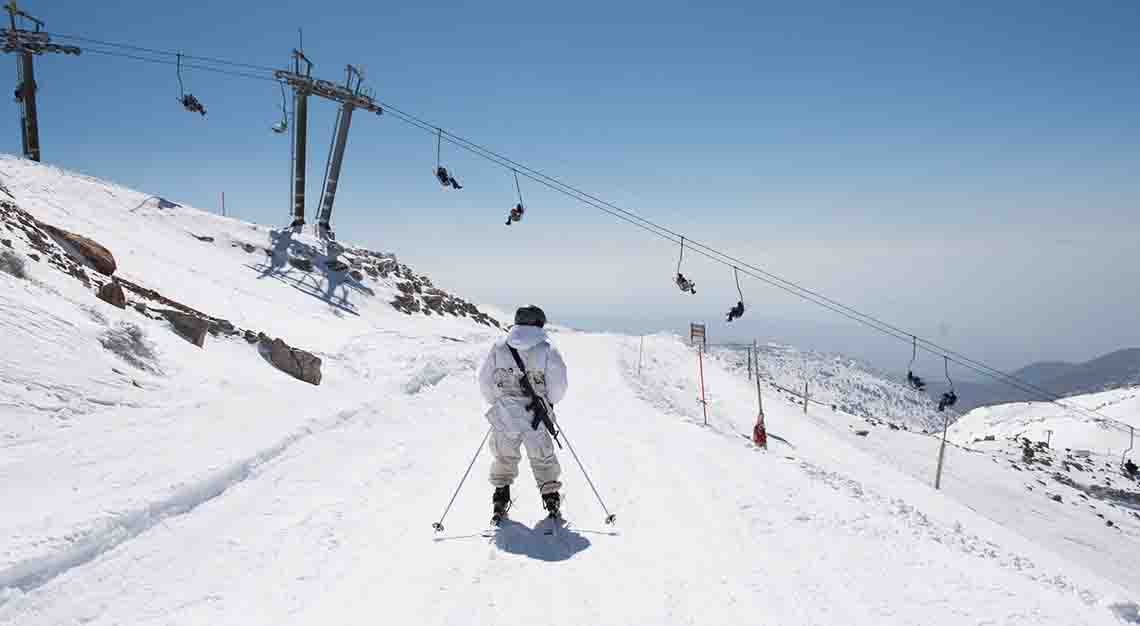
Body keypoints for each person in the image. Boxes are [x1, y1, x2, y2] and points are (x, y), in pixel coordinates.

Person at [478, 305, 568, 520]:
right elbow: (558, 385)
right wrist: (549, 403)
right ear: (539, 322)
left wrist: (498, 402)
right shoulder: (546, 348)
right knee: (542, 457)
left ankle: (500, 498)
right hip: (535, 415)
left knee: (503, 456)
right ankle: (551, 500)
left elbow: (484, 379)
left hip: (505, 413)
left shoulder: (499, 347)